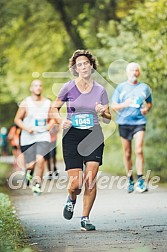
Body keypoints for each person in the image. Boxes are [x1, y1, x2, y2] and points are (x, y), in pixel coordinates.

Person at [51, 49, 111, 231]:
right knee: (75, 184)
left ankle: (85, 218)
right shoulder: (68, 87)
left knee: (90, 179)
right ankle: (71, 198)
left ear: (91, 65)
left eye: (86, 63)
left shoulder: (101, 90)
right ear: (75, 69)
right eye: (79, 65)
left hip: (93, 134)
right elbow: (53, 109)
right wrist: (61, 120)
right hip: (72, 136)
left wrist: (102, 111)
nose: (83, 67)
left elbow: (108, 118)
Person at [111, 62, 152, 193]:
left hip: (139, 122)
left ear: (139, 73)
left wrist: (146, 109)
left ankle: (140, 179)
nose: (134, 73)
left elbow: (149, 103)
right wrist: (124, 104)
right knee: (127, 153)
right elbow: (113, 106)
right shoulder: (121, 87)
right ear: (127, 73)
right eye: (132, 71)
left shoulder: (144, 88)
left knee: (139, 150)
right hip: (124, 122)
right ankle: (130, 179)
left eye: (136, 71)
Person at [14, 79, 54, 195]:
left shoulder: (47, 103)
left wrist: (49, 126)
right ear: (31, 88)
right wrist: (27, 129)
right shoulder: (26, 103)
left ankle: (37, 184)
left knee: (40, 160)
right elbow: (17, 119)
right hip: (28, 137)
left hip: (43, 136)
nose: (38, 88)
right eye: (36, 86)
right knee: (30, 165)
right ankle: (29, 172)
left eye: (40, 86)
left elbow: (53, 119)